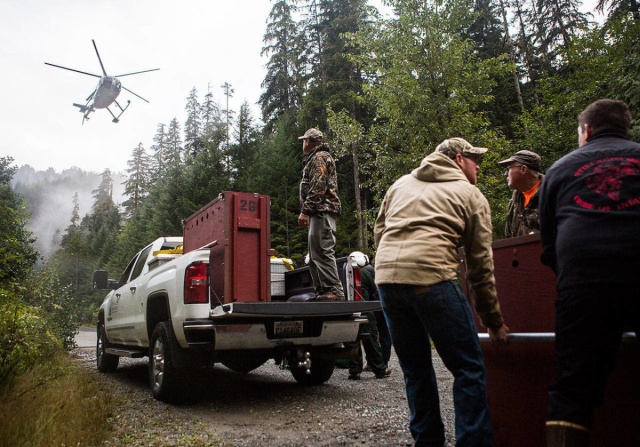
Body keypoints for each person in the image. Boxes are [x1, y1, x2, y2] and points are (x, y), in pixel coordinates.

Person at [374, 137, 509, 446]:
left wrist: (396, 270)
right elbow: (479, 266)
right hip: (432, 279)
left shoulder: (400, 185)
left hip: (388, 280)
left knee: (416, 371)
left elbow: (380, 232)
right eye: (475, 159)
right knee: (468, 368)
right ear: (459, 159)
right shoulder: (469, 194)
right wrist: (492, 319)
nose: (478, 165)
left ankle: (427, 442)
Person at [539, 99, 640, 447]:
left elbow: (549, 245)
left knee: (572, 387)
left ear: (587, 131)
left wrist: (573, 280)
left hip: (585, 281)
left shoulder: (560, 169)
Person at [297, 128, 345, 301]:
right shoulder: (316, 158)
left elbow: (318, 187)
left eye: (304, 140)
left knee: (323, 251)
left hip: (322, 211)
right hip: (317, 212)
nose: (303, 143)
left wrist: (305, 211)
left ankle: (334, 291)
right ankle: (324, 292)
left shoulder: (319, 158)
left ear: (309, 141)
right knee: (314, 255)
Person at [345, 251, 390, 380]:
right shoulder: (364, 272)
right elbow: (374, 292)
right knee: (371, 341)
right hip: (364, 310)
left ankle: (355, 371)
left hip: (348, 311)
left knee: (352, 341)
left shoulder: (343, 272)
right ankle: (380, 369)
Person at [498, 150, 544, 237]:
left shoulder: (550, 195)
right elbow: (509, 237)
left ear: (523, 169)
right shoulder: (515, 200)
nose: (505, 174)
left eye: (509, 169)